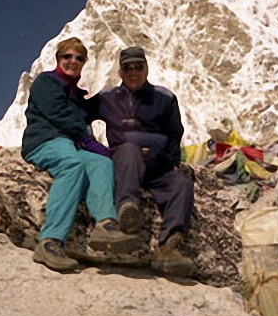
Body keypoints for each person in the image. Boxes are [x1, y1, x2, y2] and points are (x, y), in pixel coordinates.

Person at [21, 37, 140, 272]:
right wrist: (86, 139)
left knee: (101, 163)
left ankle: (105, 223)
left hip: (70, 144)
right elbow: (60, 115)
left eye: (79, 58)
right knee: (72, 164)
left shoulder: (78, 95)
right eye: (67, 56)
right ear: (58, 58)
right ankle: (50, 241)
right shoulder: (46, 82)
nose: (72, 61)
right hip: (46, 141)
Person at [88, 46, 194, 275]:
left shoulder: (164, 98)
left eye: (139, 67)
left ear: (147, 69)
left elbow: (175, 132)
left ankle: (169, 247)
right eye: (128, 68)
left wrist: (170, 160)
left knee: (181, 185)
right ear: (120, 72)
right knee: (128, 148)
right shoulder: (107, 98)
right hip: (125, 164)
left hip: (157, 168)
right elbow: (79, 115)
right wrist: (89, 147)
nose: (134, 72)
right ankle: (128, 211)